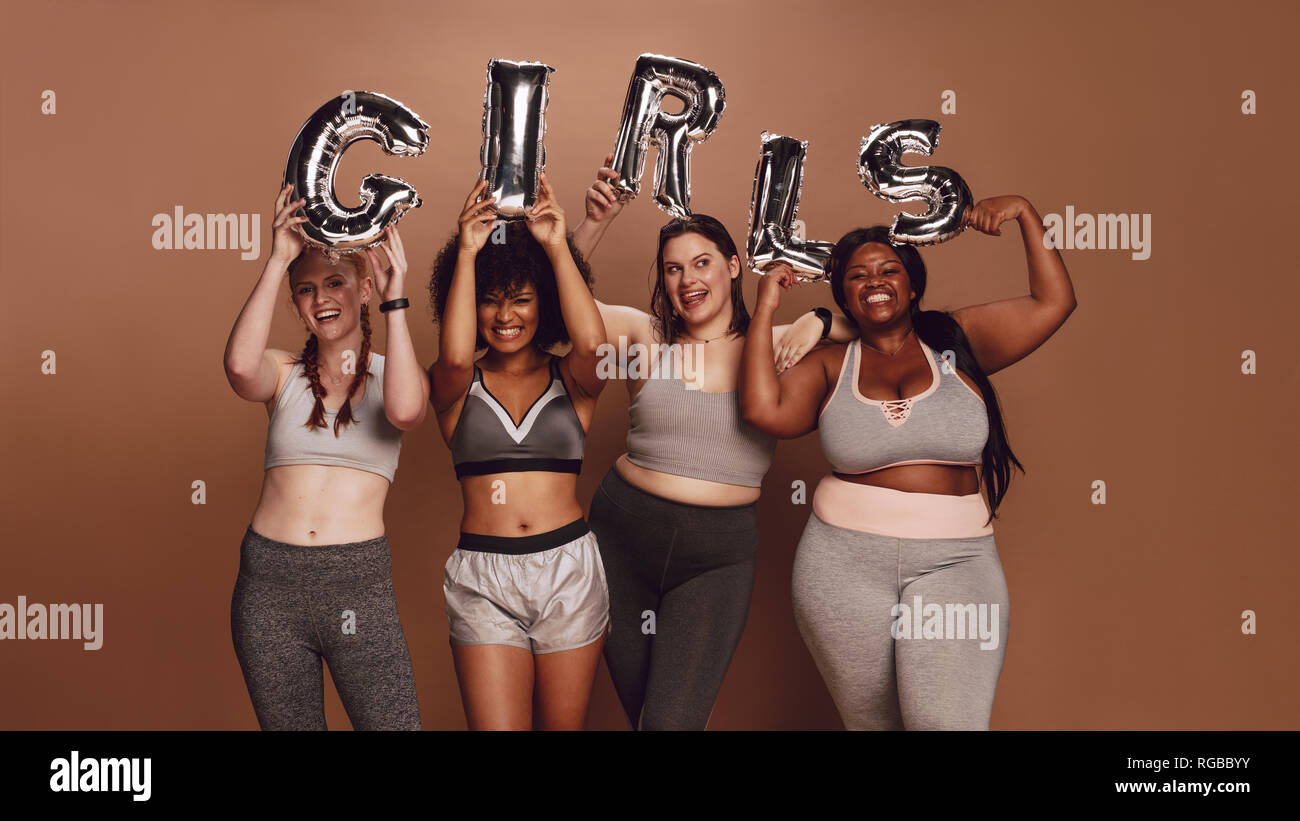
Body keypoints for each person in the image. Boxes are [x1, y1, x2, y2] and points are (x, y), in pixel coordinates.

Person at [738, 196, 1077, 729]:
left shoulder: (957, 341)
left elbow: (1053, 302)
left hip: (954, 563)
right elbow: (763, 409)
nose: (874, 280)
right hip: (840, 565)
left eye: (888, 269)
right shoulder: (831, 364)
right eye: (857, 275)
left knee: (943, 722)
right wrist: (765, 310)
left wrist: (1026, 216)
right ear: (844, 296)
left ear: (912, 285)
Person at [570, 155, 858, 730]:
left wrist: (818, 319)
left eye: (702, 263)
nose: (688, 280)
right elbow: (555, 310)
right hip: (618, 538)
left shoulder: (775, 344)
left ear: (733, 265)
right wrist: (593, 225)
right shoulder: (640, 334)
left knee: (670, 723)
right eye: (673, 269)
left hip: (717, 554)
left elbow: (883, 321)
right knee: (645, 717)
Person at [222, 183, 426, 730]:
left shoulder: (393, 373)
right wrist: (277, 261)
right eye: (306, 290)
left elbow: (407, 412)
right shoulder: (284, 373)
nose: (321, 299)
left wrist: (395, 299)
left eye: (335, 282)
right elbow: (239, 369)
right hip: (268, 586)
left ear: (362, 290)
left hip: (356, 581)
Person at [427, 175, 608, 730]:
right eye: (491, 301)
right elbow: (457, 356)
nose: (506, 316)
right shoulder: (454, 386)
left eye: (522, 300)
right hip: (484, 575)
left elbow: (595, 346)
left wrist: (556, 245)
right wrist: (467, 252)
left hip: (569, 570)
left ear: (544, 304)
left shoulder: (574, 380)